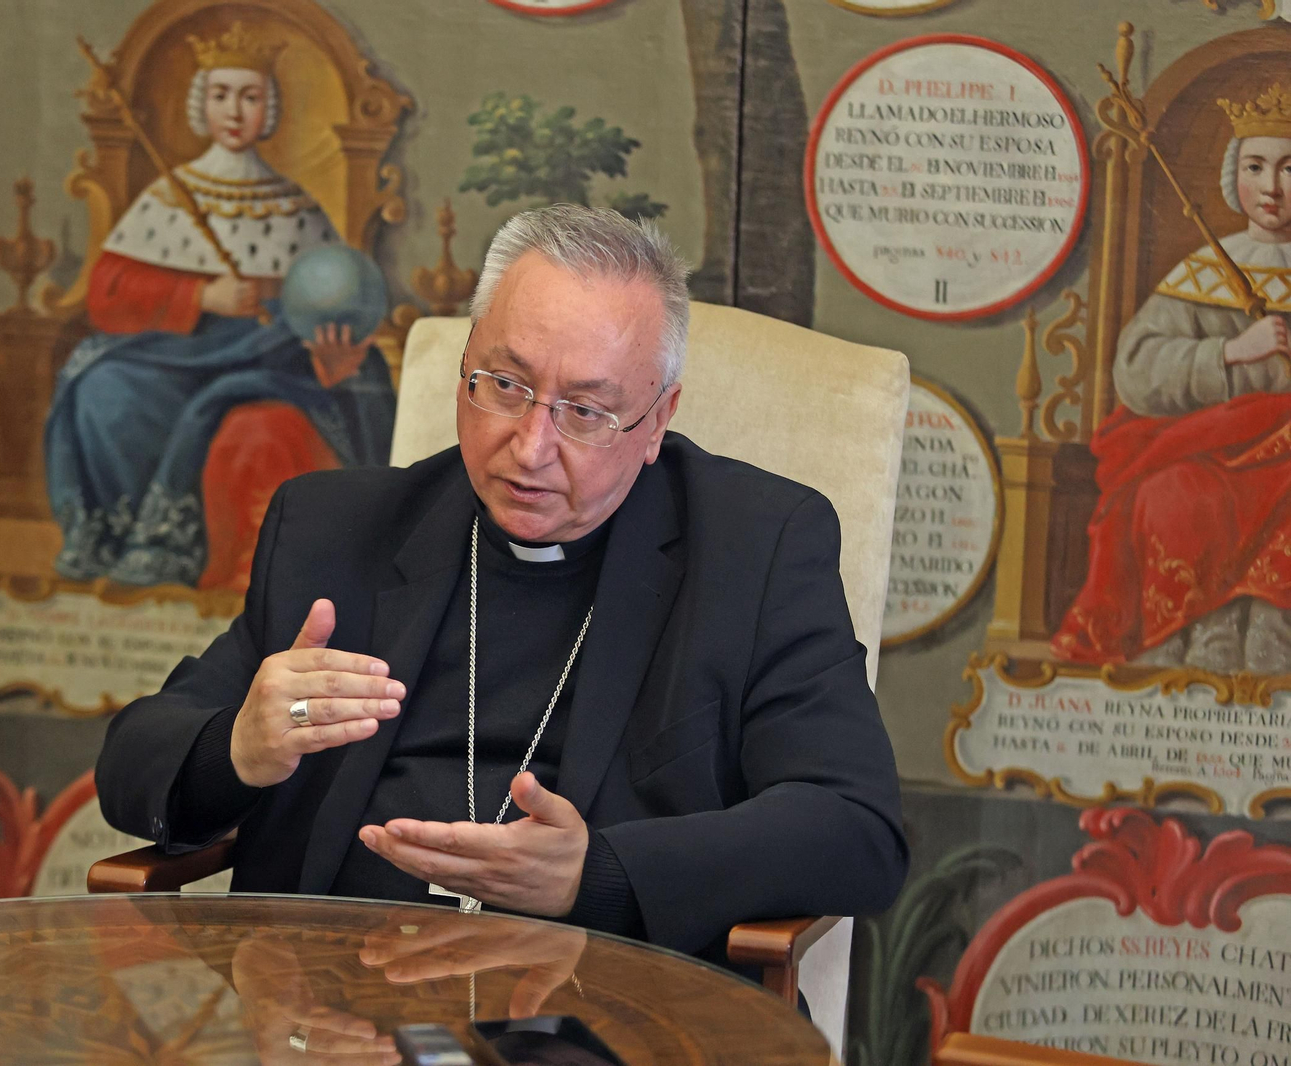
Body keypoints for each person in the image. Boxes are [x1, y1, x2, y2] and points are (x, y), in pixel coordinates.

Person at [96, 204, 906, 970]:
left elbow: (855, 828)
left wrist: (597, 874)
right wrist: (238, 748)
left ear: (657, 422)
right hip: (325, 1007)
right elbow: (134, 759)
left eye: (585, 411)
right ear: (467, 364)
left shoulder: (754, 550)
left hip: (597, 1020)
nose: (530, 446)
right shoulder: (337, 531)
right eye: (505, 385)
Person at [44, 22, 395, 591]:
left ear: (270, 110)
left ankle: (173, 544)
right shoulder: (167, 197)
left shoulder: (296, 207)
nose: (235, 110)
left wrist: (326, 349)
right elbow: (108, 292)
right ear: (199, 106)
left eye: (250, 97)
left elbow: (338, 298)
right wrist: (200, 295)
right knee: (101, 388)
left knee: (243, 407)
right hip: (179, 352)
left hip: (267, 356)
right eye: (221, 94)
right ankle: (118, 532)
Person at [1052, 84, 1291, 672]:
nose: (1273, 188)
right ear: (1235, 175)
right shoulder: (1207, 272)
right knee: (1173, 495)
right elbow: (1136, 369)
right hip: (1207, 447)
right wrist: (1232, 352)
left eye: (1290, 168)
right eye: (1256, 167)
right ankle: (1199, 633)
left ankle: (1268, 629)